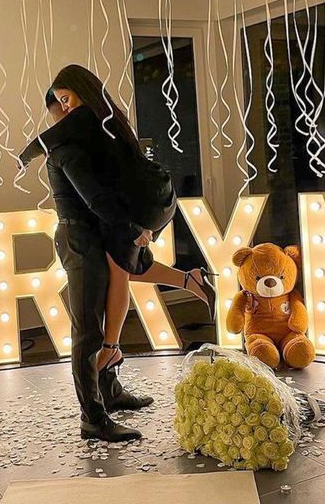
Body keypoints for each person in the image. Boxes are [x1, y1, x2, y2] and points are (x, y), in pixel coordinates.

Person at [20, 65, 216, 439]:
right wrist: (135, 230)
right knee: (87, 331)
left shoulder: (97, 139)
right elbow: (96, 200)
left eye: (66, 99)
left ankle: (110, 393)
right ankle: (92, 418)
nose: (63, 110)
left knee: (128, 277)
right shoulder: (67, 149)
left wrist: (139, 229)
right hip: (81, 238)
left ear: (84, 94)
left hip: (98, 234)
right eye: (58, 105)